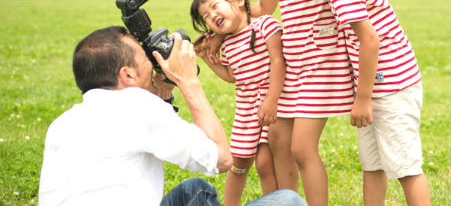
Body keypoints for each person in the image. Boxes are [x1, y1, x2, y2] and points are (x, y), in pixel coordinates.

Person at [270, 0, 431, 206]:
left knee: (407, 169)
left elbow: (370, 40)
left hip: (391, 83)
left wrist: (363, 98)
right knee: (373, 165)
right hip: (375, 81)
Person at [38, 26, 306, 206]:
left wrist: (163, 90)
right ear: (128, 74)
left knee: (196, 191)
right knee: (287, 201)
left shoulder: (64, 122)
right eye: (145, 56)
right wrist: (189, 81)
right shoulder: (139, 106)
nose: (152, 60)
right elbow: (221, 159)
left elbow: (143, 131)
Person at [236, 0, 369, 206]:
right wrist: (226, 18)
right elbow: (264, 8)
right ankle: (287, 202)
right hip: (293, 63)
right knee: (279, 137)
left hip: (323, 62)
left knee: (301, 148)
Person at [191, 0, 289, 206]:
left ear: (238, 0)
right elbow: (234, 76)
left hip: (270, 104)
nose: (212, 15)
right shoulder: (228, 43)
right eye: (206, 16)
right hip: (246, 110)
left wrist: (271, 100)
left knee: (265, 163)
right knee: (238, 163)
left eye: (215, 6)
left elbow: (278, 62)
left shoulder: (266, 25)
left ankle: (276, 202)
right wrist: (207, 58)